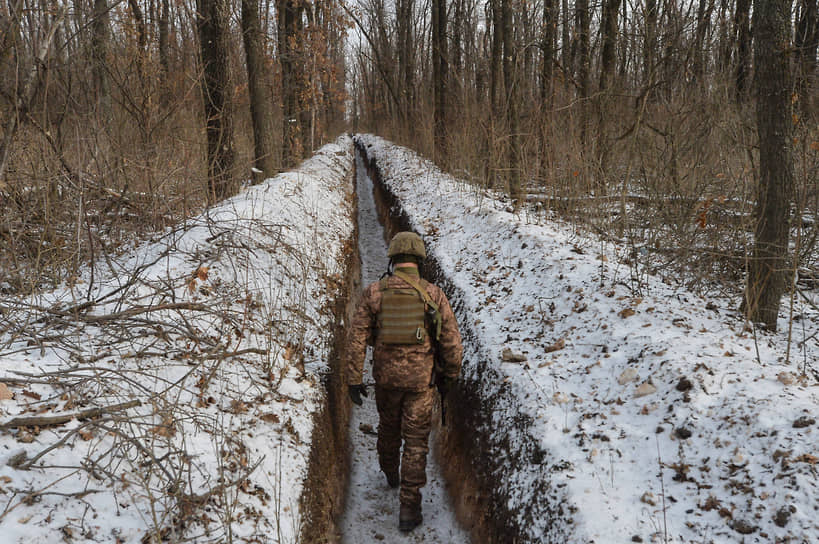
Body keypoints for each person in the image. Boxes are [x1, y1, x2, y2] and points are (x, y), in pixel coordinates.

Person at [346, 231, 463, 532]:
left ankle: (390, 473)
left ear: (393, 259)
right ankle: (409, 509)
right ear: (419, 260)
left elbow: (357, 338)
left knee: (388, 428)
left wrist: (353, 379)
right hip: (420, 383)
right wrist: (450, 377)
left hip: (386, 381)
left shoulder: (374, 292)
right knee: (415, 442)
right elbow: (451, 342)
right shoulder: (433, 295)